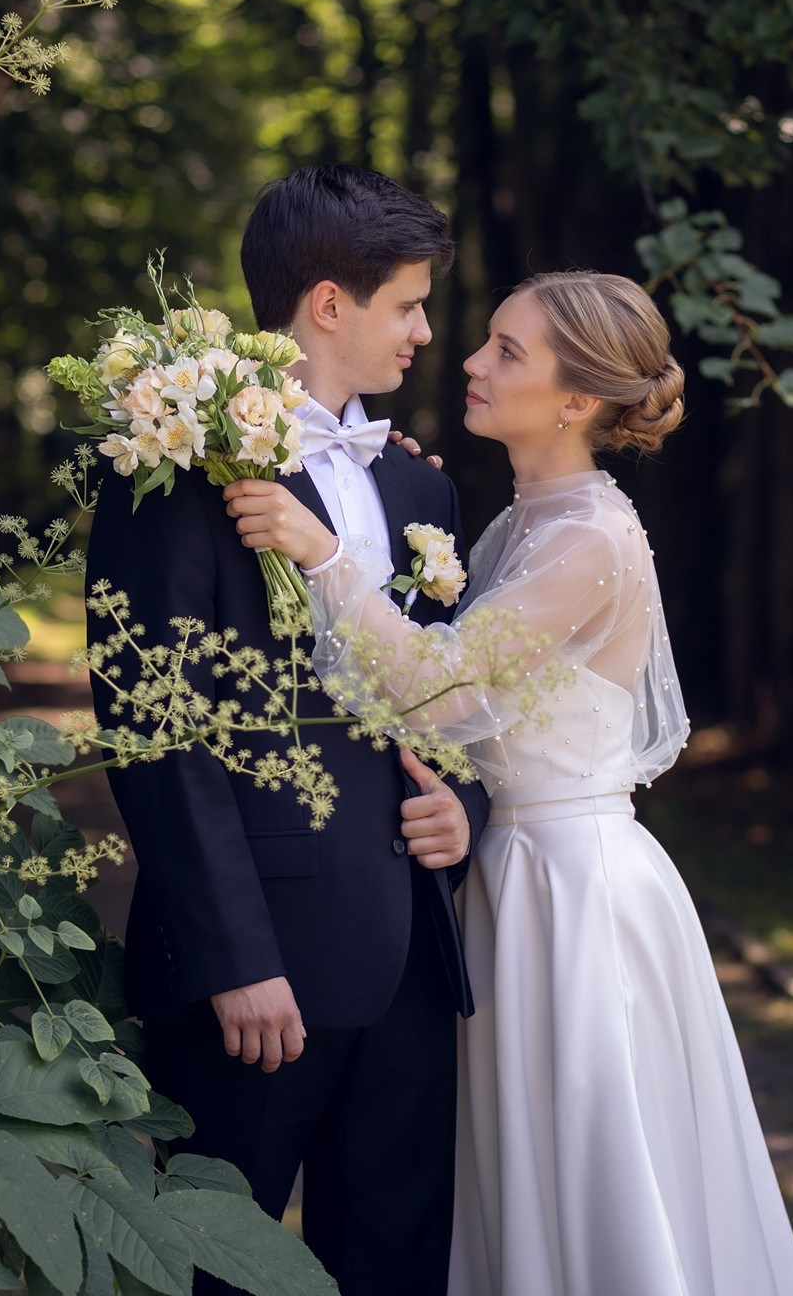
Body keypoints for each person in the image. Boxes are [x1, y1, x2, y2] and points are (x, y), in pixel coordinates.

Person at [223, 271, 793, 1296]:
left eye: (507, 351)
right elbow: (471, 727)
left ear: (576, 398)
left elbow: (432, 684)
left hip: (573, 895)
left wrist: (325, 552)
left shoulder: (591, 537)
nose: (469, 360)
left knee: (586, 1174)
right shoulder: (515, 525)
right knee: (510, 1180)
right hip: (506, 878)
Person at [85, 164, 492, 1294]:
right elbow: (155, 724)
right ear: (328, 303)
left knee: (395, 1264)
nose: (423, 332)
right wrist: (235, 959)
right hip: (260, 978)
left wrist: (463, 807)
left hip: (412, 961)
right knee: (216, 1270)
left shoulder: (421, 492)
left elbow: (449, 695)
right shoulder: (175, 462)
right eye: (407, 305)